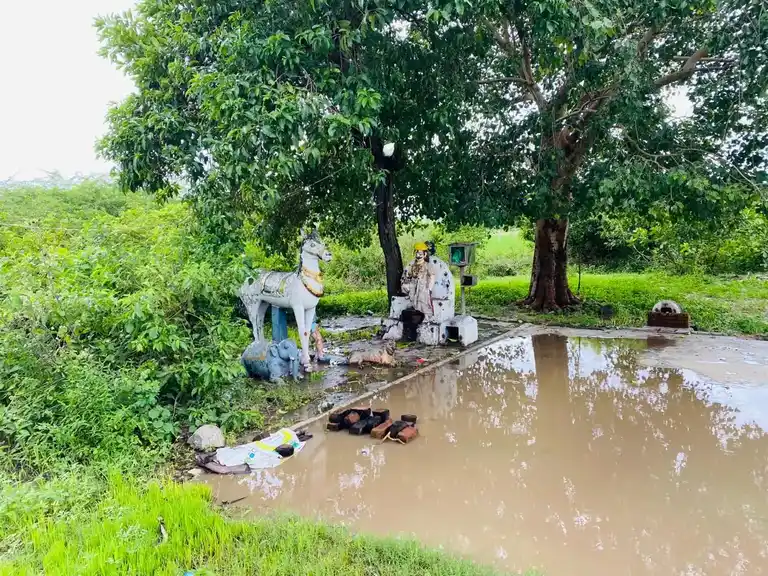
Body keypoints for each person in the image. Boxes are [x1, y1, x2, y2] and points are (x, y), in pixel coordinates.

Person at [401, 241, 435, 319]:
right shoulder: (412, 265)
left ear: (425, 254)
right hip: (413, 288)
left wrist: (429, 289)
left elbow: (432, 277)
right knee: (413, 304)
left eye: (420, 254)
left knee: (423, 305)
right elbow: (407, 276)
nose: (418, 255)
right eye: (417, 253)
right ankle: (415, 319)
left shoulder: (428, 265)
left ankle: (426, 319)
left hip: (423, 289)